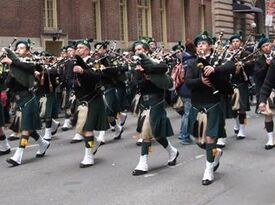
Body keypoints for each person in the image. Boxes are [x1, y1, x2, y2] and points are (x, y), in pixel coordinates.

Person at [185, 31, 234, 185]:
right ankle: (216, 153)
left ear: (210, 47)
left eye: (204, 44)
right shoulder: (192, 64)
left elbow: (230, 66)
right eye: (199, 44)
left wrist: (214, 70)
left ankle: (208, 170)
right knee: (200, 141)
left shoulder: (217, 61)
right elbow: (188, 82)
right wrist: (200, 81)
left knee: (210, 137)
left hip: (212, 103)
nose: (201, 46)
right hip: (197, 104)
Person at [131, 40, 179, 176]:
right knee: (157, 134)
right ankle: (172, 151)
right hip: (144, 102)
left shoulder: (155, 60)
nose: (137, 51)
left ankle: (143, 163)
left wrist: (146, 69)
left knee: (146, 132)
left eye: (140, 49)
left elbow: (163, 68)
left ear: (146, 50)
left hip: (156, 100)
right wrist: (137, 74)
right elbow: (134, 83)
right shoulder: (135, 66)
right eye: (136, 49)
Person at [1, 39, 50, 166]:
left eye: (22, 48)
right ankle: (43, 143)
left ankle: (18, 154)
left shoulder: (30, 60)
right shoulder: (14, 65)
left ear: (27, 51)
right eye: (17, 48)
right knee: (28, 127)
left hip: (29, 98)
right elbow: (8, 84)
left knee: (25, 128)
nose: (19, 50)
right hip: (18, 100)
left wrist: (12, 62)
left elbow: (30, 68)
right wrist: (9, 71)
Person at [72, 39, 109, 167]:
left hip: (93, 98)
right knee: (81, 130)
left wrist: (83, 71)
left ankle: (88, 156)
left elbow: (97, 76)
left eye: (81, 47)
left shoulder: (95, 61)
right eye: (77, 47)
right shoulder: (72, 62)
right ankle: (95, 143)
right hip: (80, 99)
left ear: (87, 50)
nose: (78, 49)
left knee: (87, 129)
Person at [228, 34, 254, 140]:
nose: (235, 43)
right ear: (230, 44)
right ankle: (237, 124)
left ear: (241, 43)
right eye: (233, 41)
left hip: (242, 83)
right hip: (231, 84)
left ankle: (242, 130)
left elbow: (252, 65)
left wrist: (243, 65)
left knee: (242, 108)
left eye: (237, 41)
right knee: (233, 108)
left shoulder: (246, 54)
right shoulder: (227, 55)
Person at [254, 35, 275, 149]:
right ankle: (270, 139)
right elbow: (258, 75)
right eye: (264, 46)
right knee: (268, 115)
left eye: (268, 45)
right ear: (261, 49)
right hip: (266, 90)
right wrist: (267, 66)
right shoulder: (258, 60)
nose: (267, 47)